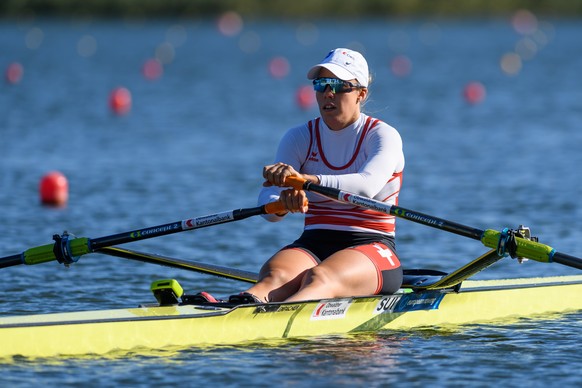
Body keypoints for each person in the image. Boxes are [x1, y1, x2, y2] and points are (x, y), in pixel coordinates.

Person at [195, 48, 405, 305]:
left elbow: (366, 187)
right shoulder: (299, 137)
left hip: (373, 246)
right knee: (274, 276)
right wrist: (282, 202)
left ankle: (274, 317)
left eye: (339, 86)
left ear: (361, 93)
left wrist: (306, 182)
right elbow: (268, 207)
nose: (328, 92)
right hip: (314, 242)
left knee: (321, 277)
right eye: (321, 84)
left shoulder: (383, 136)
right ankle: (233, 307)